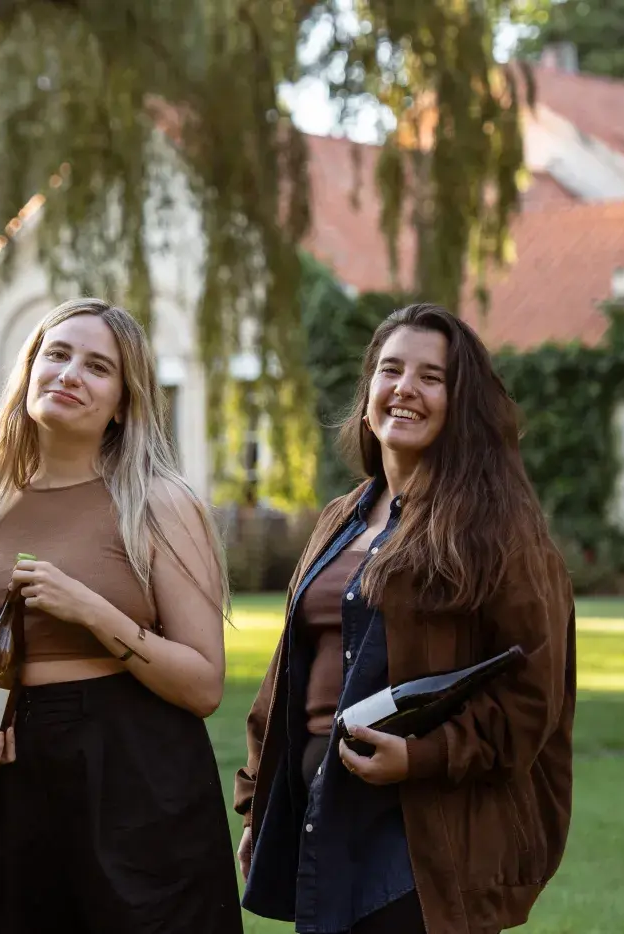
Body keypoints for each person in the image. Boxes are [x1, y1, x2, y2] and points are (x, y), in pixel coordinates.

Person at [234, 303, 576, 934]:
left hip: (422, 834)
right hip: (321, 812)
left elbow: (533, 699)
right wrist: (260, 801)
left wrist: (420, 757)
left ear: (461, 400)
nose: (405, 390)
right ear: (368, 392)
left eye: (431, 377)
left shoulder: (498, 529)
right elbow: (286, 670)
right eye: (390, 370)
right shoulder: (341, 517)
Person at [0, 298, 243, 934]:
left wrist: (94, 612)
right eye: (57, 354)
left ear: (124, 401)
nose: (70, 374)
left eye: (98, 367)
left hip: (134, 770)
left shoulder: (160, 502)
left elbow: (205, 685)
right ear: (29, 371)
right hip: (19, 785)